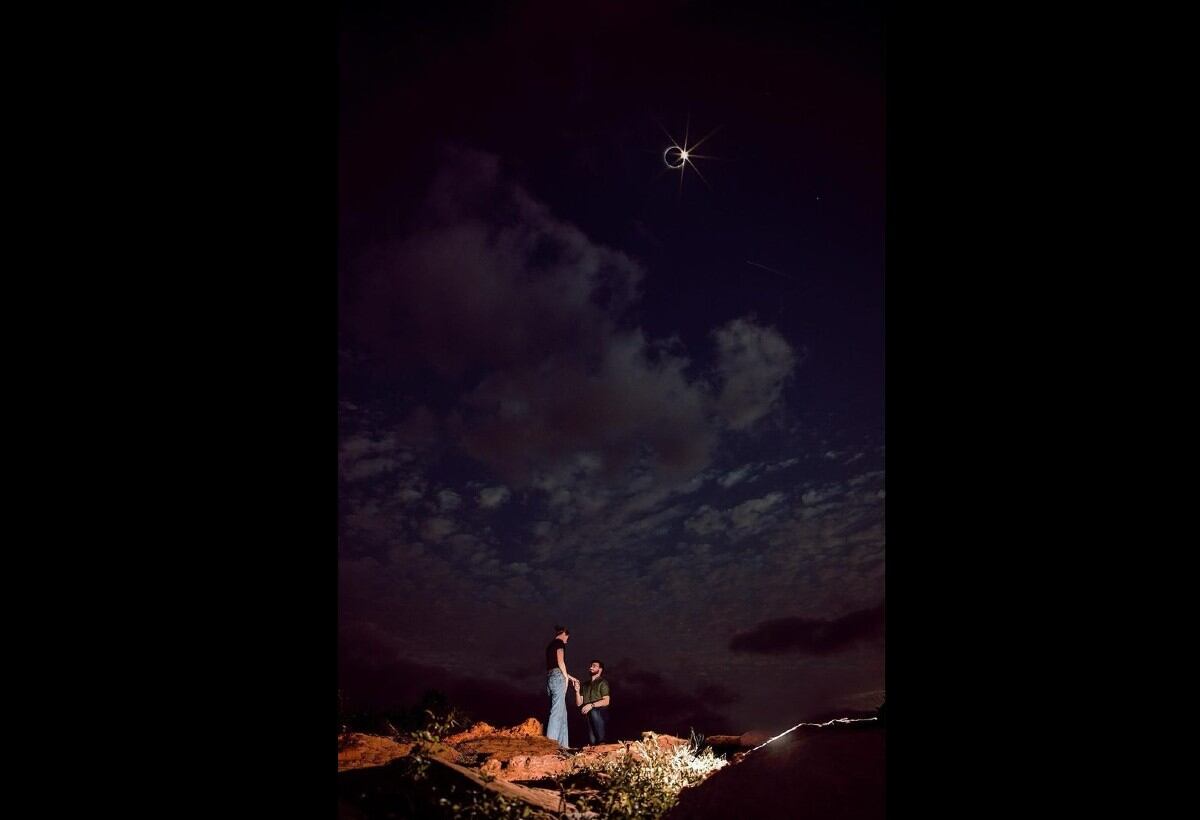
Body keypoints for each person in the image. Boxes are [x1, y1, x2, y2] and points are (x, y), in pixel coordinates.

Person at [544, 625, 579, 748]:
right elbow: (560, 662)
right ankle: (550, 744)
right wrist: (565, 679)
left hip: (551, 677)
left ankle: (563, 746)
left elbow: (554, 666)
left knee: (562, 714)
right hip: (558, 678)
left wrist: (569, 677)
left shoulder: (550, 645)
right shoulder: (559, 643)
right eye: (567, 637)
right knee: (557, 712)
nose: (567, 640)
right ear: (564, 633)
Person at [573, 659, 611, 745]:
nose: (591, 667)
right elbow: (579, 703)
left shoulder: (603, 682)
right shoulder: (585, 685)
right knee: (592, 742)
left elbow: (606, 701)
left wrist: (592, 705)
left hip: (600, 712)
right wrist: (577, 691)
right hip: (588, 714)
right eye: (591, 666)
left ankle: (602, 741)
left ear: (600, 669)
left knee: (593, 711)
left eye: (594, 666)